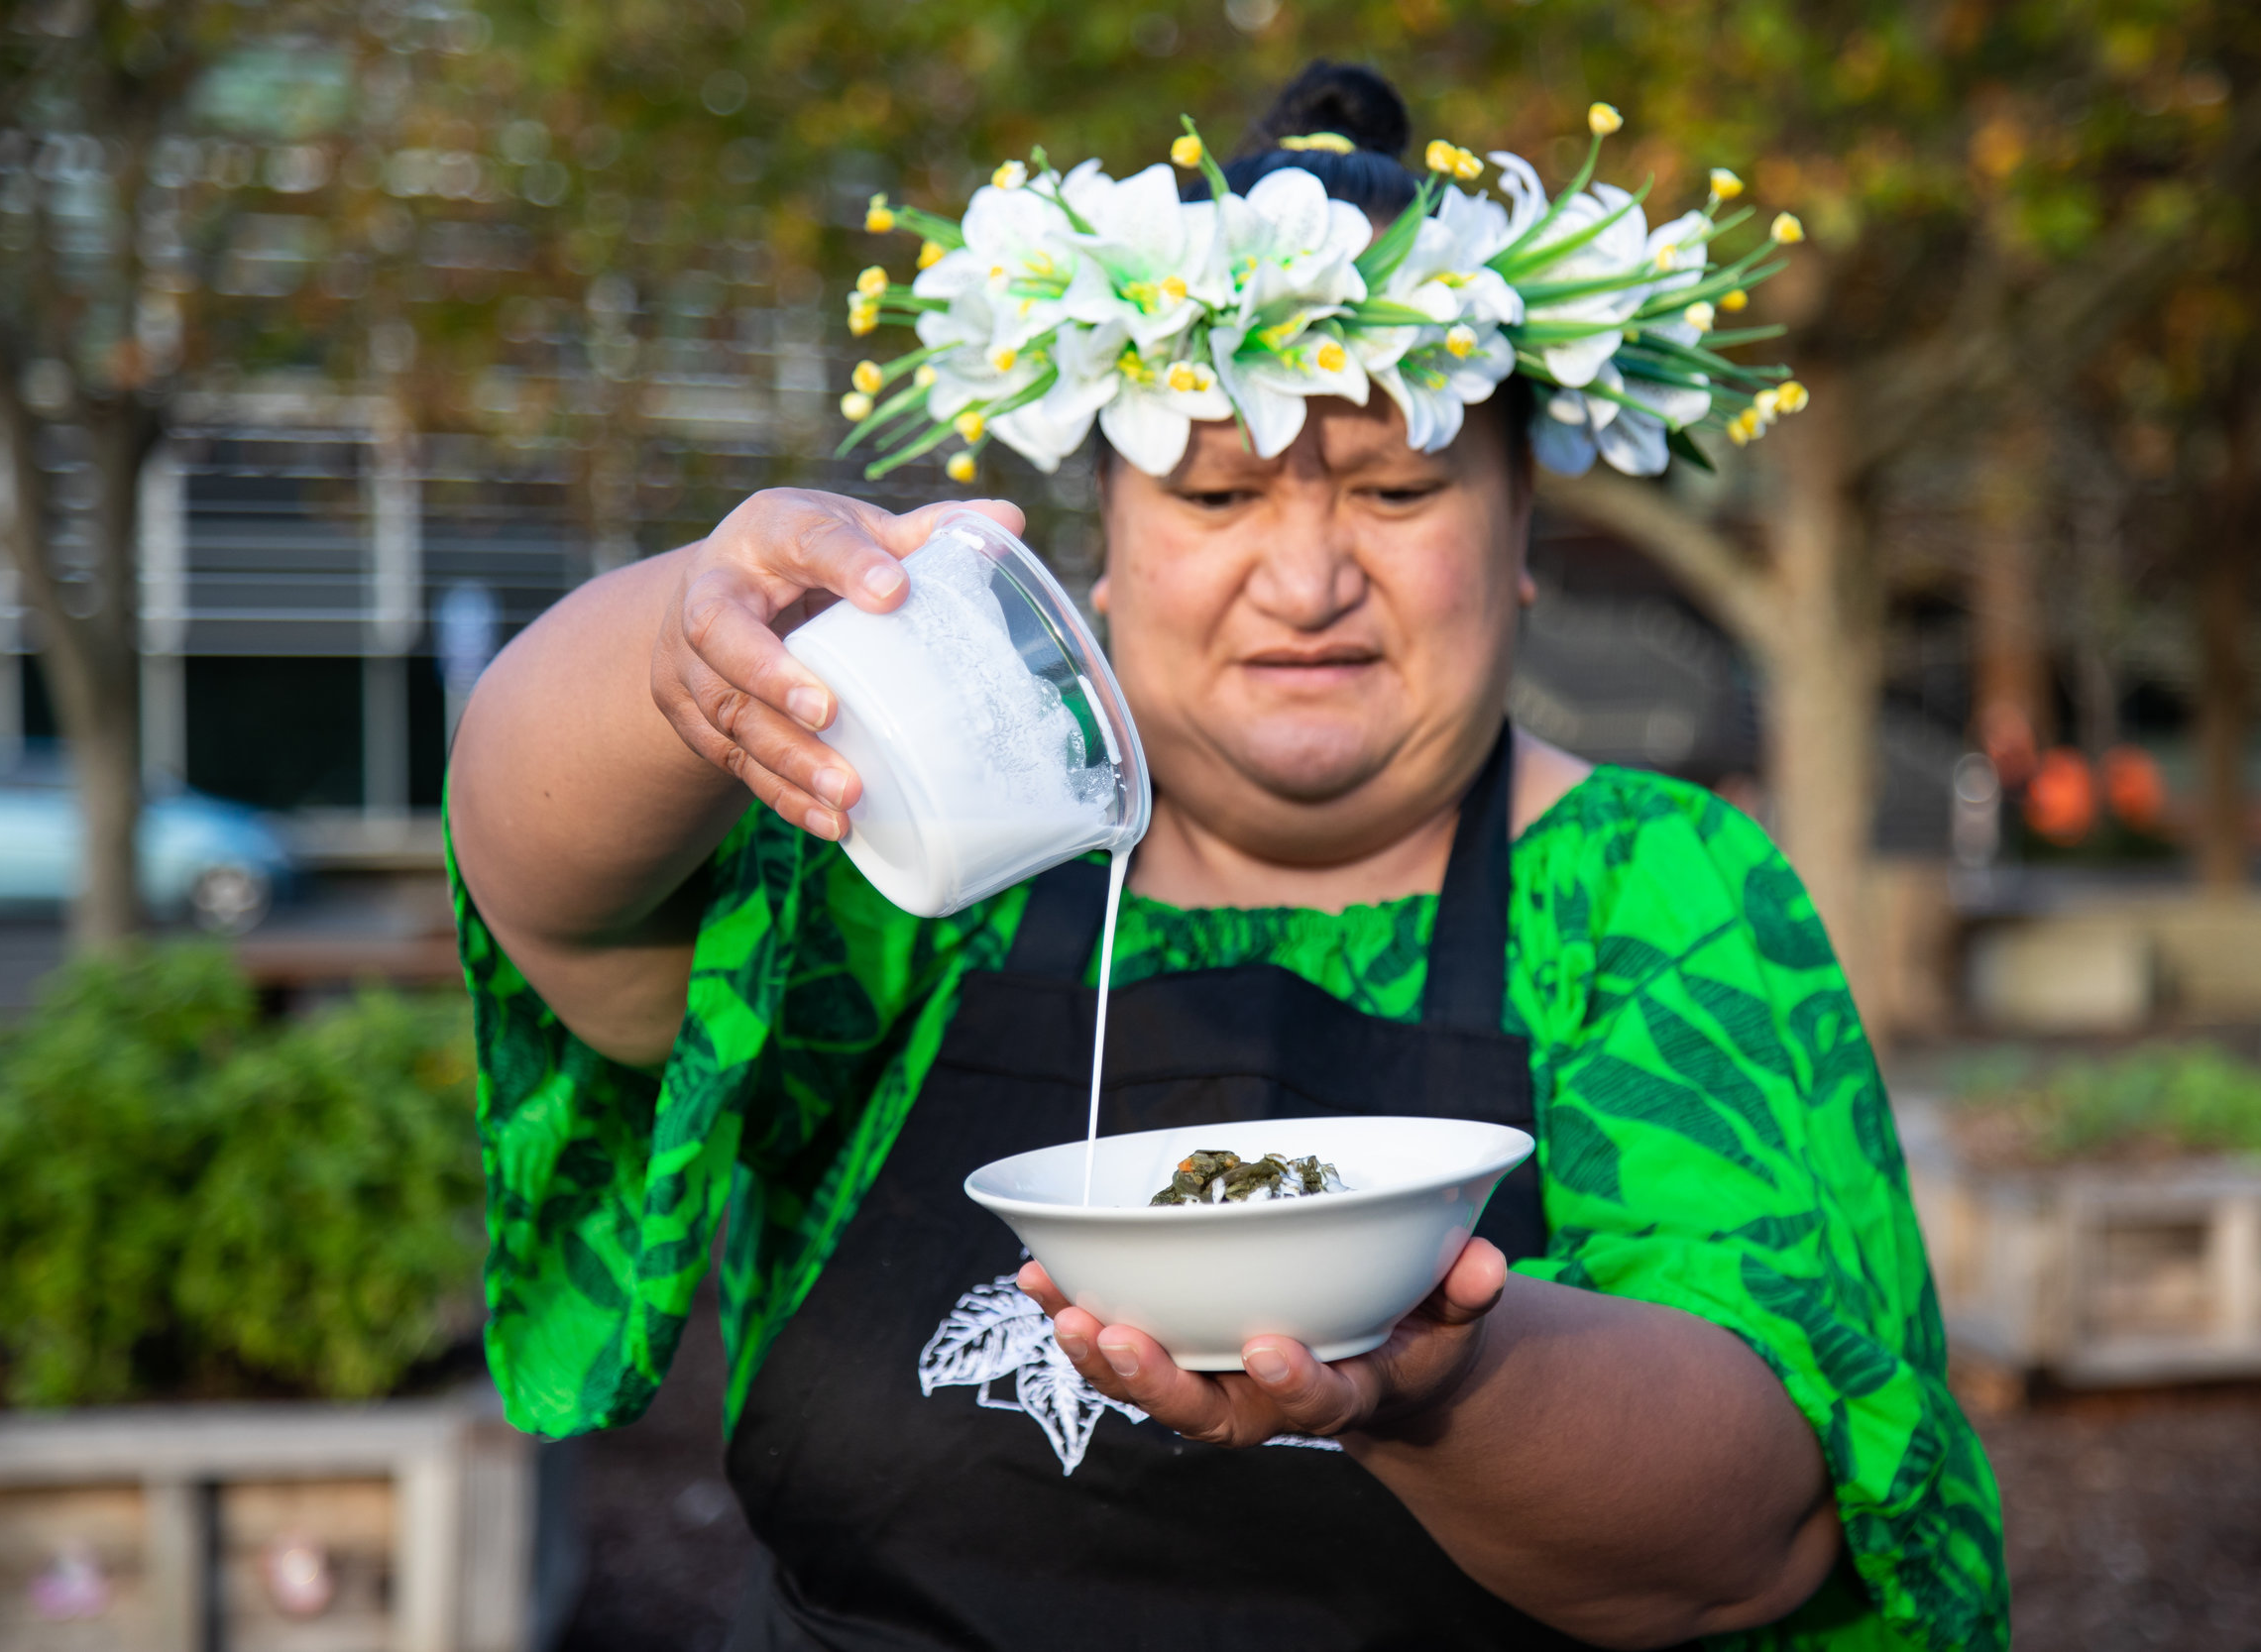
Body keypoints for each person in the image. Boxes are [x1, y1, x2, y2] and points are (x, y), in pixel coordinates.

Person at [447, 61, 2005, 1652]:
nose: (1309, 575)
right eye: (1218, 491)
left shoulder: (1655, 896)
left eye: (1399, 489)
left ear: (1521, 533)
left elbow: (1747, 1535)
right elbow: (544, 875)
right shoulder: (920, 856)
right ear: (1107, 547)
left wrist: (1439, 1378)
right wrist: (682, 647)